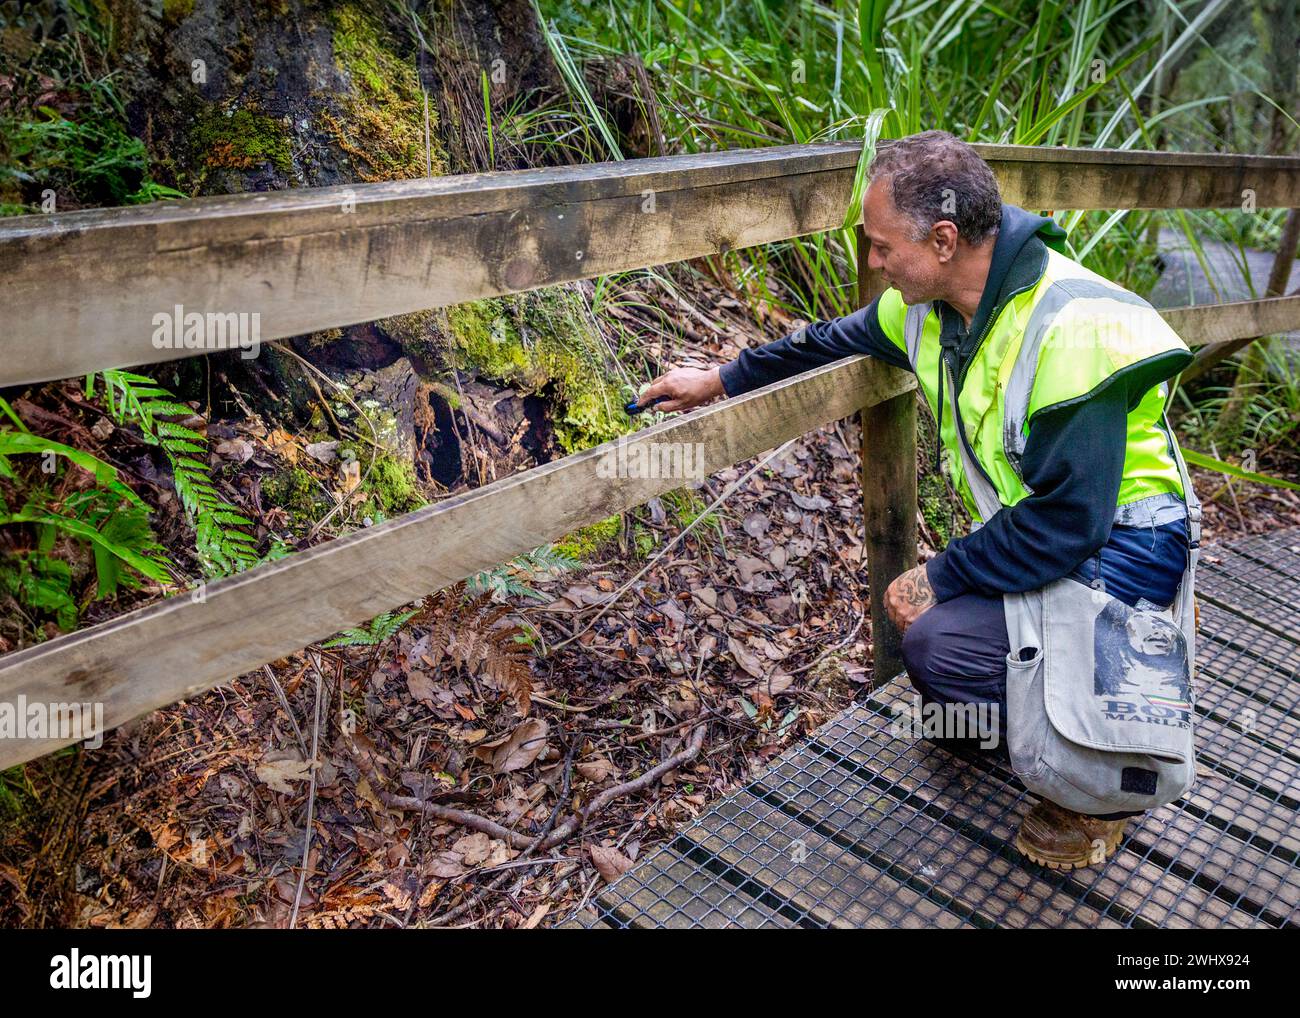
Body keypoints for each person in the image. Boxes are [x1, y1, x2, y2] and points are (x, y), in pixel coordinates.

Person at [638, 130, 1195, 871]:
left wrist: (937, 574)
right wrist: (723, 377)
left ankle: (1103, 789)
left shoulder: (1069, 326)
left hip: (1126, 542)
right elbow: (830, 339)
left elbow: (1070, 520)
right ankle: (1023, 724)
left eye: (879, 247)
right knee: (947, 664)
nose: (872, 264)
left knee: (939, 640)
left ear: (941, 239)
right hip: (1059, 527)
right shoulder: (929, 309)